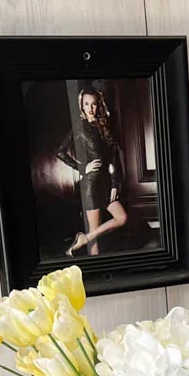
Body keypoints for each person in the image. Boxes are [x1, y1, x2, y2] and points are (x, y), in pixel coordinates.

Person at [56, 86, 127, 255]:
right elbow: (60, 152)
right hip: (91, 185)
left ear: (98, 105)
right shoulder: (80, 127)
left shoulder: (104, 127)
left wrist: (114, 185)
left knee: (122, 218)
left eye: (93, 104)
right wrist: (82, 167)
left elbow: (114, 159)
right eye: (86, 104)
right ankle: (96, 265)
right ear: (82, 106)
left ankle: (84, 239)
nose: (90, 108)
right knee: (95, 241)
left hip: (105, 183)